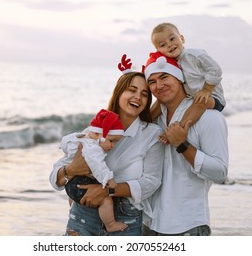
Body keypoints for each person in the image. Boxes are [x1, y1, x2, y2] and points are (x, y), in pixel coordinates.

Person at [49, 57, 165, 236]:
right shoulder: (96, 131)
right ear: (119, 93)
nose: (137, 97)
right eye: (132, 90)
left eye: (144, 94)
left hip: (126, 219)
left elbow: (151, 182)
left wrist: (107, 190)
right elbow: (55, 178)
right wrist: (71, 170)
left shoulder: (151, 134)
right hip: (84, 215)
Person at [141, 52, 229, 236]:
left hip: (187, 224)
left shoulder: (209, 117)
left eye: (165, 77)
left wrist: (182, 145)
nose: (159, 85)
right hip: (148, 222)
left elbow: (220, 173)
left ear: (180, 78)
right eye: (152, 81)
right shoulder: (152, 120)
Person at [149, 22, 226, 138]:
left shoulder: (195, 55)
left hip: (212, 97)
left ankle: (177, 129)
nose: (169, 45)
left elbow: (216, 70)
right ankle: (145, 122)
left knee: (200, 102)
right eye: (163, 45)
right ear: (158, 51)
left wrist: (206, 90)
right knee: (163, 100)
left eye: (172, 39)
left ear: (182, 38)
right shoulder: (171, 65)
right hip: (192, 98)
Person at [59, 108, 128, 233]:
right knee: (106, 200)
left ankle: (74, 207)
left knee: (76, 199)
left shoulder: (81, 139)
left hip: (71, 184)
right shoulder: (93, 148)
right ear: (97, 135)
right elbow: (98, 166)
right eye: (111, 141)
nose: (113, 146)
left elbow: (66, 142)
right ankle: (111, 224)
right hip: (80, 183)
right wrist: (108, 179)